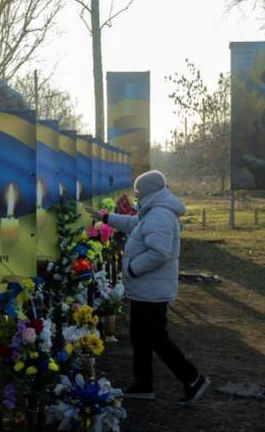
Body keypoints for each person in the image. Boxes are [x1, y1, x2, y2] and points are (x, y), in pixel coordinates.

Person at [88, 170, 209, 406]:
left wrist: (132, 269)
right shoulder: (154, 211)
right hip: (147, 289)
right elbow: (135, 225)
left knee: (156, 337)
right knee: (140, 335)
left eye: (138, 192)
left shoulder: (160, 215)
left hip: (152, 290)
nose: (136, 196)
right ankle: (142, 384)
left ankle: (193, 379)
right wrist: (105, 218)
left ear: (149, 192)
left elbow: (160, 252)